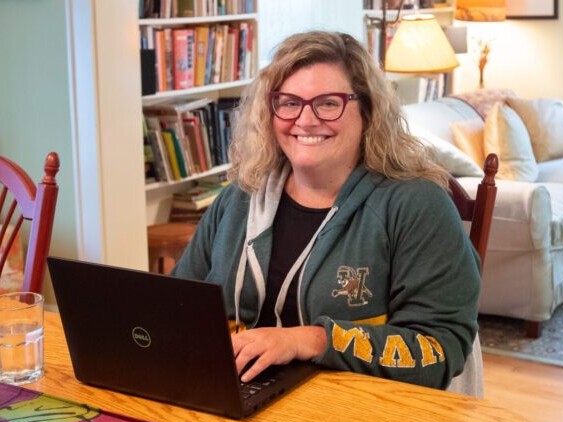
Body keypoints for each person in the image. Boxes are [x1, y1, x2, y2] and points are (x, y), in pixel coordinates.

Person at [172, 30, 481, 394]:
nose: (305, 120)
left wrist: (311, 340)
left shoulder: (417, 205)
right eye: (288, 102)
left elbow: (439, 350)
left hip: (364, 416)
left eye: (328, 103)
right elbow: (177, 306)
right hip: (243, 399)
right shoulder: (238, 198)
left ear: (367, 110)